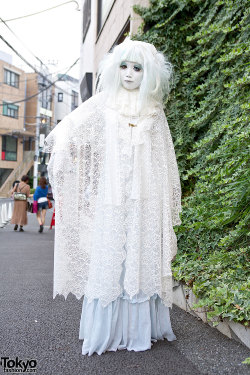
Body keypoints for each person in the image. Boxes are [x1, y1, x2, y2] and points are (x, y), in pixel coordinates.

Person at [45, 39, 182, 355]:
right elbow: (71, 125)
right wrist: (63, 150)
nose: (130, 74)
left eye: (138, 68)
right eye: (124, 66)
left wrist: (165, 200)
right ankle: (107, 329)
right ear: (113, 68)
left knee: (140, 257)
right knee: (112, 260)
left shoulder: (154, 111)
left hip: (145, 199)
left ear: (150, 74)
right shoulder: (104, 103)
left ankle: (140, 329)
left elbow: (165, 159)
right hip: (112, 197)